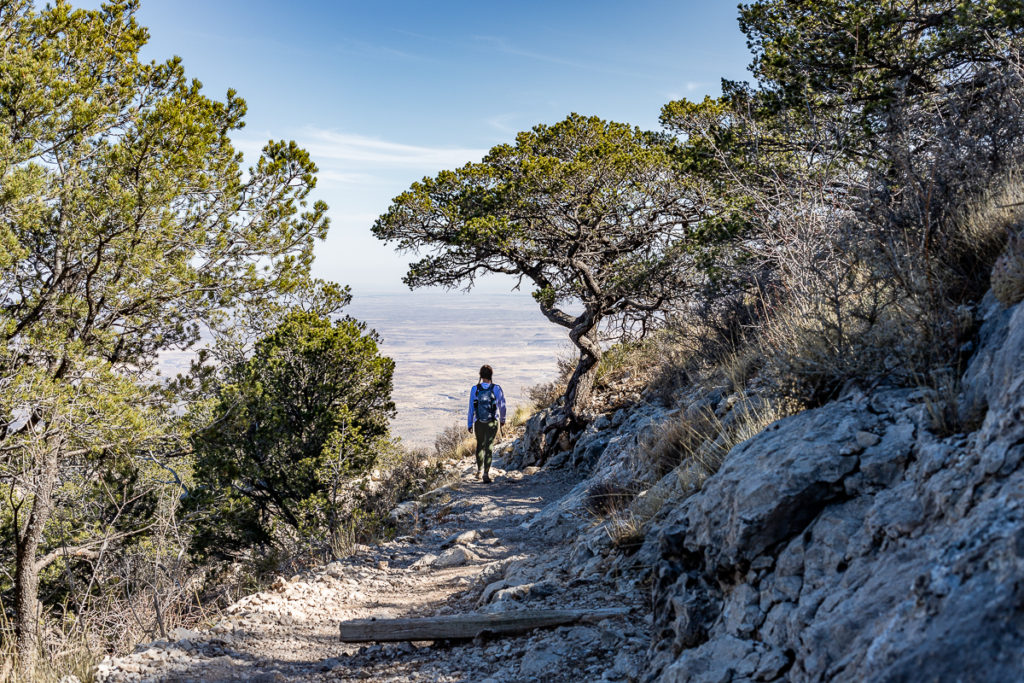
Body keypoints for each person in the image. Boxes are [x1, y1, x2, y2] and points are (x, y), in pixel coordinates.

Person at [467, 364, 506, 483]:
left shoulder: (475, 389)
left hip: (478, 422)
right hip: (492, 422)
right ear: (491, 375)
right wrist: (502, 420)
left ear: (480, 375)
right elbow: (502, 406)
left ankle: (479, 471)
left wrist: (469, 423)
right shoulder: (496, 388)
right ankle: (486, 474)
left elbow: (471, 408)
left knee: (480, 445)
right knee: (488, 446)